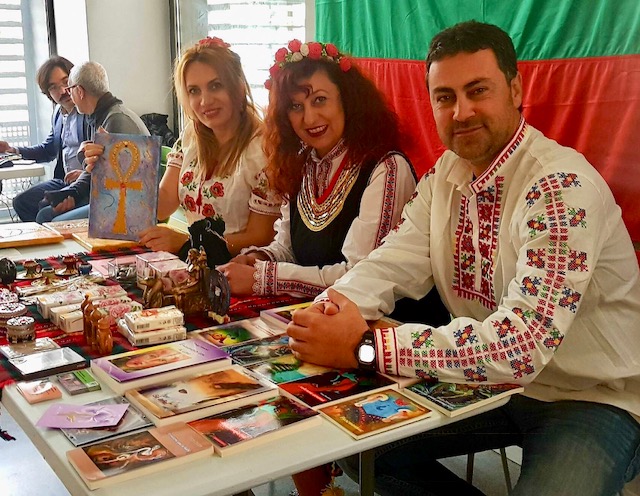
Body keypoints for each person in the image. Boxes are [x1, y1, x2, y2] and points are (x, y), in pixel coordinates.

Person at [288, 21, 640, 495]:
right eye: (445, 97)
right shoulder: (446, 176)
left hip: (589, 397)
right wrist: (330, 311)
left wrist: (366, 346)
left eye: (478, 91)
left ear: (515, 90)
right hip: (491, 386)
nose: (462, 112)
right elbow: (391, 261)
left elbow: (520, 348)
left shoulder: (560, 188)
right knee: (363, 449)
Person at [218, 40, 417, 303]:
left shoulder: (386, 168)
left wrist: (264, 278)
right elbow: (288, 249)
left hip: (387, 322)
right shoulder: (301, 165)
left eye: (320, 100)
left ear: (347, 99)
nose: (309, 118)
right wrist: (258, 259)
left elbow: (360, 277)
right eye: (295, 106)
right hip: (317, 313)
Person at [137, 37, 282, 267]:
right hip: (195, 265)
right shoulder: (190, 136)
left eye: (215, 86)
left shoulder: (264, 149)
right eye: (194, 90)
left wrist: (190, 243)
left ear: (238, 87)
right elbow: (162, 205)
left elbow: (262, 236)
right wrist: (111, 170)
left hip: (240, 270)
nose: (205, 101)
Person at [35, 60, 150, 223]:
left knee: (49, 218)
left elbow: (116, 180)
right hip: (112, 195)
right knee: (46, 211)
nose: (69, 95)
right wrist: (73, 193)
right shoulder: (99, 117)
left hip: (130, 205)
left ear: (79, 91)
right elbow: (99, 168)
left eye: (69, 88)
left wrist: (75, 193)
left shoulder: (116, 120)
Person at [0, 56, 88, 222]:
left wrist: (85, 174)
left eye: (65, 82)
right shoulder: (58, 114)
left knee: (44, 210)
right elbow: (48, 150)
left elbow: (104, 157)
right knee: (22, 202)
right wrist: (13, 150)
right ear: (48, 94)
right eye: (54, 87)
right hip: (64, 180)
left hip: (85, 182)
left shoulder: (88, 111)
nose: (63, 91)